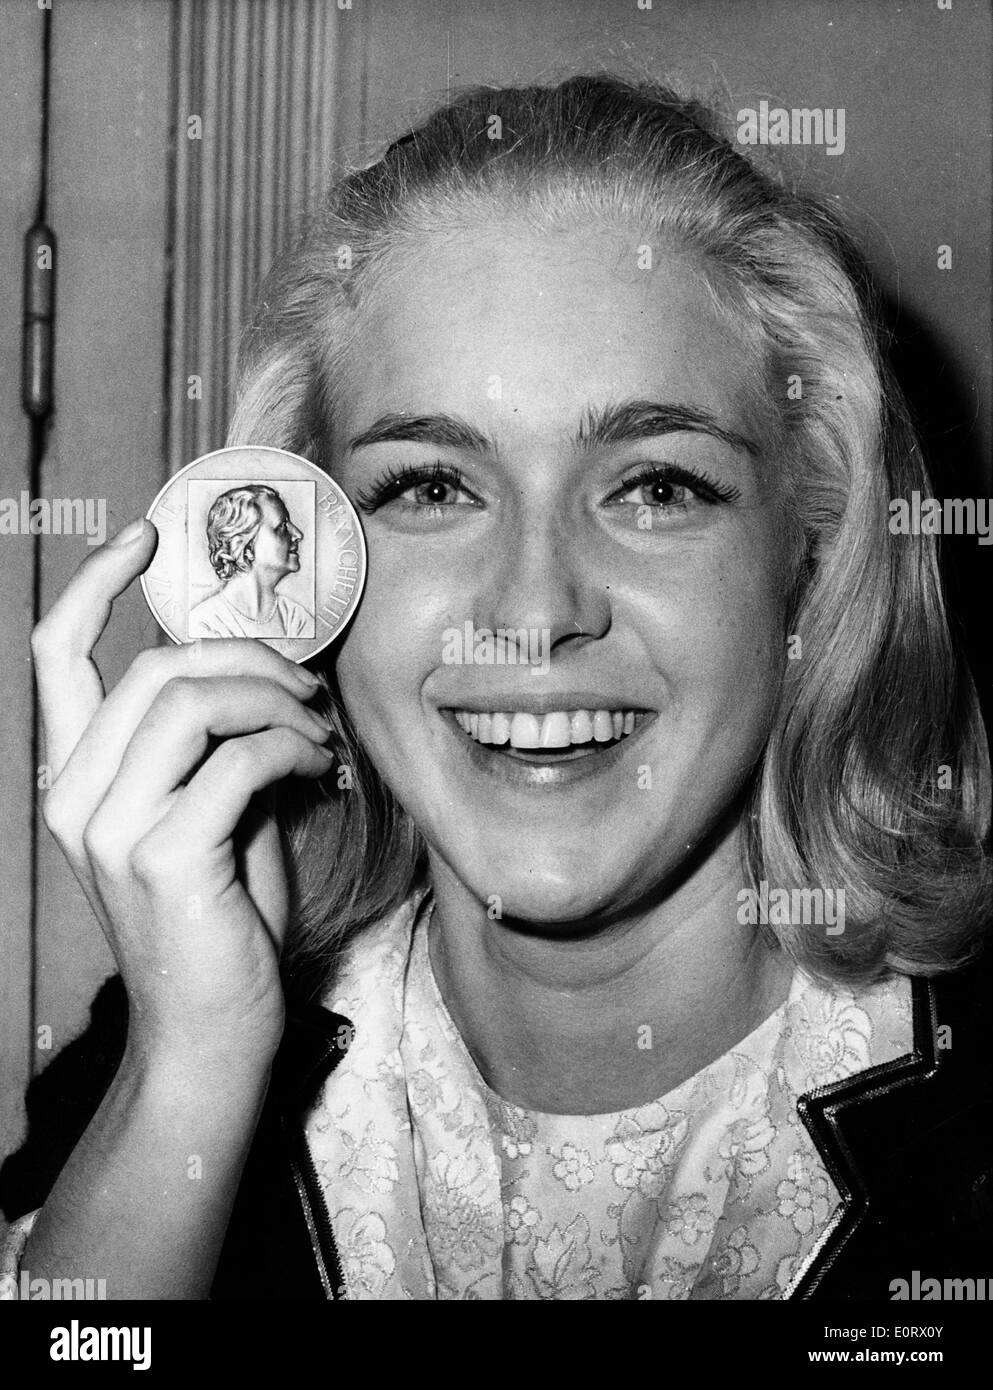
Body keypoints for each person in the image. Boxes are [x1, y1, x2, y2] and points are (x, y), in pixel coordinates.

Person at [2, 75, 990, 1301]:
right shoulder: (161, 1062)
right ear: (297, 578)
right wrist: (188, 1070)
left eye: (656, 485)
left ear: (813, 540)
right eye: (428, 486)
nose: (533, 612)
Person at [188, 484, 313, 640]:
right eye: (281, 526)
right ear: (242, 546)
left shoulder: (296, 618)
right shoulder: (204, 623)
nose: (297, 534)